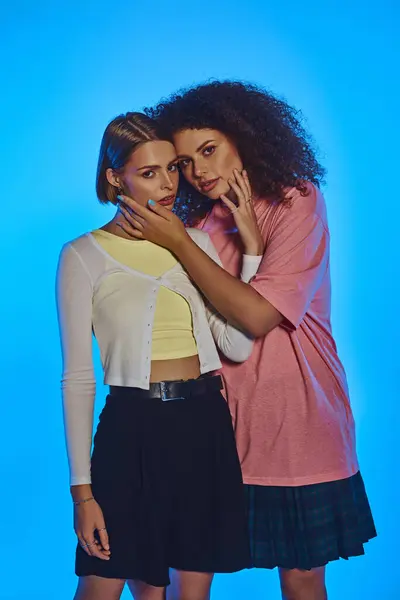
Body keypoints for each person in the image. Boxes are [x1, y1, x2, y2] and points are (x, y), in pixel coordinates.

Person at [115, 81, 377, 600]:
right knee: (181, 576)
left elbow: (256, 318)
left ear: (244, 136)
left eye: (208, 150)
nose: (199, 171)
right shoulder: (190, 219)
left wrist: (181, 245)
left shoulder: (295, 200)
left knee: (301, 579)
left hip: (295, 420)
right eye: (185, 162)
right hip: (211, 423)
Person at [56, 111, 260, 600]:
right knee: (103, 584)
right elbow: (79, 379)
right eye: (149, 173)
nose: (169, 184)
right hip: (132, 430)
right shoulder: (82, 255)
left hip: (204, 426)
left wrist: (249, 251)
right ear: (114, 177)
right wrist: (82, 494)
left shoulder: (198, 243)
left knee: (186, 594)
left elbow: (235, 343)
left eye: (172, 168)